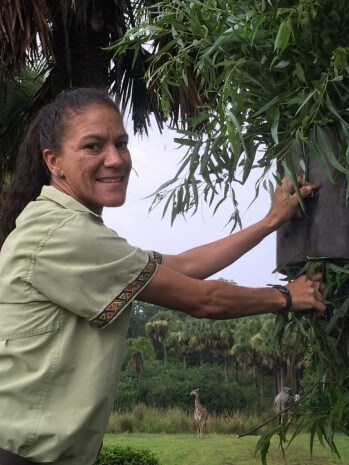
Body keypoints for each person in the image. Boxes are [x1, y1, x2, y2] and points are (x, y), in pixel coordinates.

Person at [0, 87, 326, 465]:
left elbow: (183, 265)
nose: (115, 159)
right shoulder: (64, 235)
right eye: (93, 146)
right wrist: (288, 296)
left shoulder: (71, 228)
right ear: (53, 160)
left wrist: (272, 220)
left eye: (121, 143)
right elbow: (201, 299)